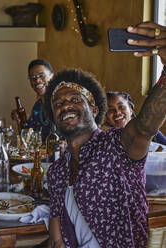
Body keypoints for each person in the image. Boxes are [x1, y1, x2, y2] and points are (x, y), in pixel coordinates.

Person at [44, 21, 166, 247]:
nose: (65, 106)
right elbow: (56, 232)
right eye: (58, 104)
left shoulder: (116, 146)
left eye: (74, 99)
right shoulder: (58, 171)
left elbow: (143, 127)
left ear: (94, 109)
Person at [11, 59, 54, 142]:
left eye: (41, 75)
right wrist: (19, 121)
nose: (37, 80)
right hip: (43, 154)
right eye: (32, 78)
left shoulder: (61, 104)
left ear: (52, 76)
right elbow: (27, 139)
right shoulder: (37, 107)